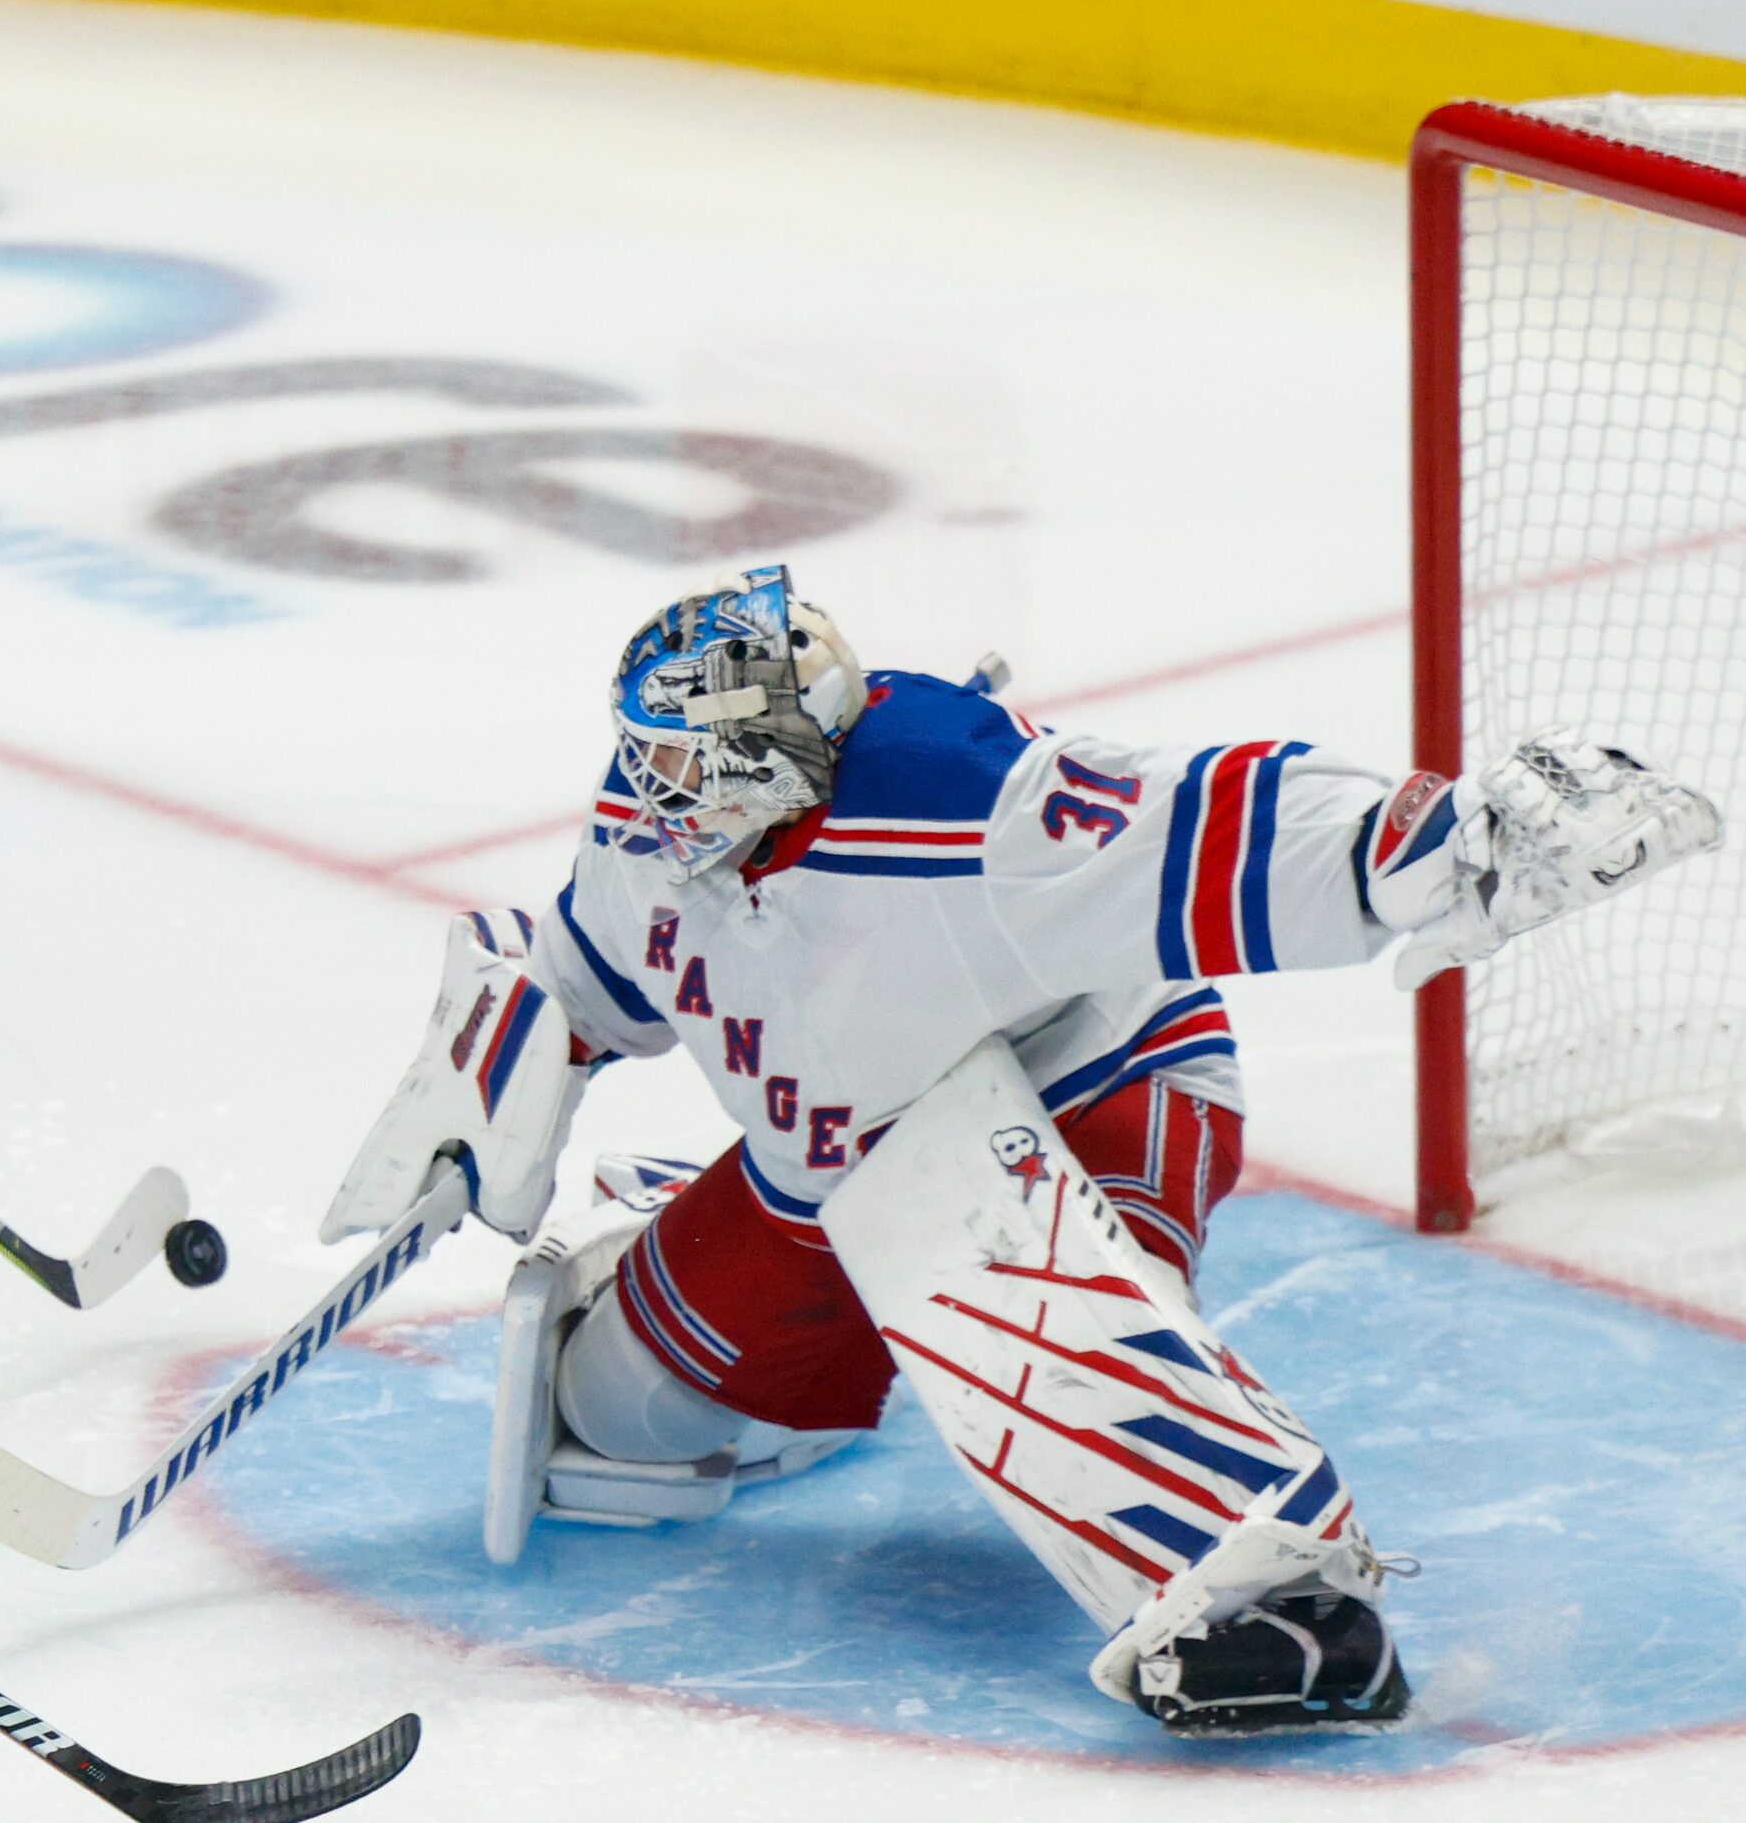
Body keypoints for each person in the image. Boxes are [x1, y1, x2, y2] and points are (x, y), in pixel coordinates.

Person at [325, 564, 1719, 1732]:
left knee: (1023, 1302)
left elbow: (1207, 824)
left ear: (780, 757)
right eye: (645, 747)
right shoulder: (656, 829)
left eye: (687, 758)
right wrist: (506, 1062)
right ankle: (767, 1312)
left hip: (1088, 1096)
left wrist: (1450, 841)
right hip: (831, 1157)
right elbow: (595, 973)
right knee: (620, 1425)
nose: (651, 784)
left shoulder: (963, 805)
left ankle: (1263, 1583)